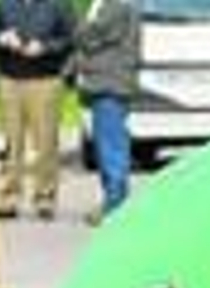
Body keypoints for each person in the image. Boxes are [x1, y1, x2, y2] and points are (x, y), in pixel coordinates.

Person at [0, 0, 76, 220]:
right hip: (9, 79)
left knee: (46, 142)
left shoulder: (60, 6)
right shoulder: (3, 5)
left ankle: (44, 198)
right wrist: (0, 38)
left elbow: (70, 40)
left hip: (45, 80)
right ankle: (8, 198)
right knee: (11, 142)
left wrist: (45, 47)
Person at [74, 0, 139, 222]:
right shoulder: (103, 5)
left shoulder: (117, 7)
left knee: (111, 146)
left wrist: (80, 28)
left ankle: (115, 203)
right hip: (104, 84)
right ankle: (113, 200)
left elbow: (88, 37)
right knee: (106, 145)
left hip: (111, 84)